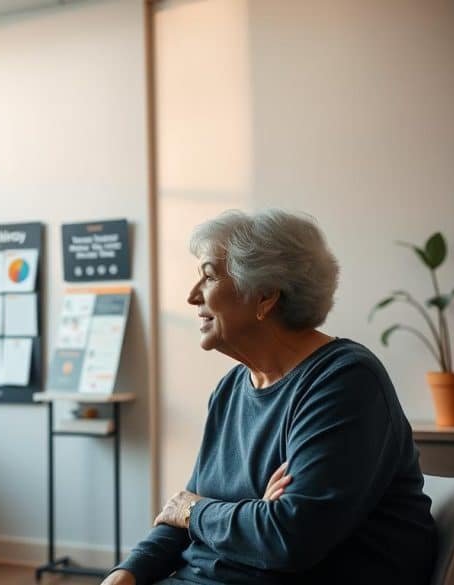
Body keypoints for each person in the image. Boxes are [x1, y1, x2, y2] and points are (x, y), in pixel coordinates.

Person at [103, 210, 436, 585]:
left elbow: (287, 538)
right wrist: (125, 574)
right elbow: (177, 513)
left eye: (210, 276)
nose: (192, 295)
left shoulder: (345, 381)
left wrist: (199, 513)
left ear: (264, 295)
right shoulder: (230, 390)